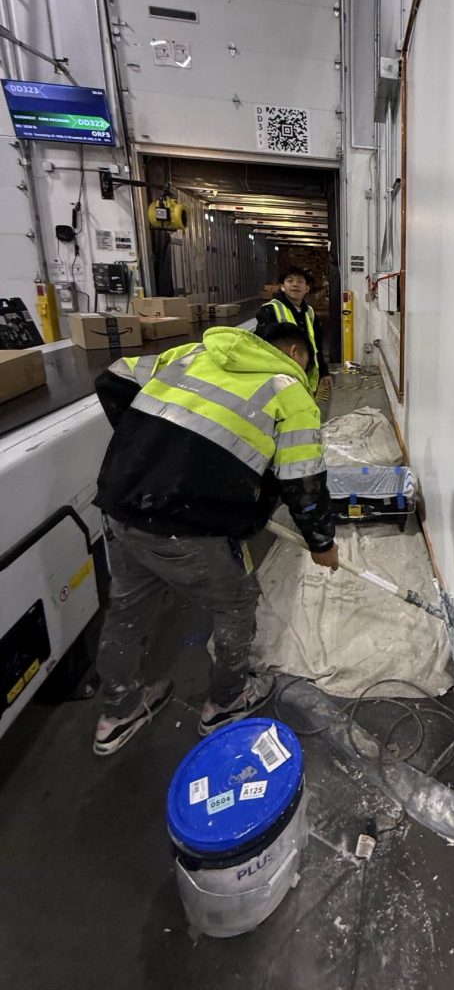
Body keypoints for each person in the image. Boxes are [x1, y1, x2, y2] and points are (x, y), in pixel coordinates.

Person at [90, 322, 339, 757]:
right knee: (237, 604)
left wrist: (149, 449)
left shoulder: (190, 355)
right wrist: (322, 543)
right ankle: (226, 702)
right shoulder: (289, 391)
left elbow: (111, 378)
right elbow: (304, 483)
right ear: (298, 353)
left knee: (126, 608)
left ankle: (118, 711)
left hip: (122, 504)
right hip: (187, 525)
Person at [256, 267, 332, 397]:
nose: (295, 284)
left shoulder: (310, 313)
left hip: (305, 376)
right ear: (282, 286)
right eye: (290, 281)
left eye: (300, 281)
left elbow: (317, 345)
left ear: (307, 288)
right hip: (280, 377)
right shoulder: (270, 309)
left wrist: (323, 373)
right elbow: (260, 344)